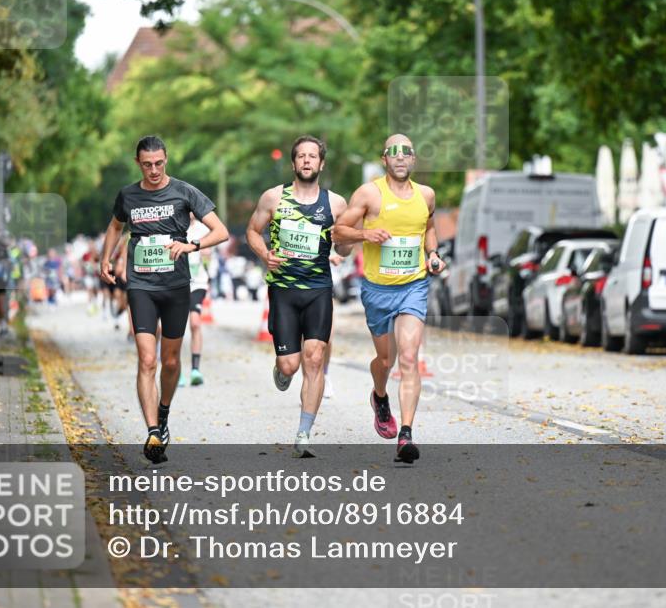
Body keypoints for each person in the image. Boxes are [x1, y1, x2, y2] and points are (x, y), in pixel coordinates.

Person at [100, 135, 229, 464]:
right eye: (147, 165)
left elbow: (221, 231)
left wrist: (191, 246)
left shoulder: (184, 192)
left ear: (166, 160)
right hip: (141, 285)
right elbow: (115, 226)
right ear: (138, 164)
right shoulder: (128, 195)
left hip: (175, 286)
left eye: (159, 163)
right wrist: (106, 257)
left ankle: (165, 412)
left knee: (170, 362)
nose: (154, 170)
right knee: (147, 360)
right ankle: (153, 431)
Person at [331, 134, 446, 464]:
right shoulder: (369, 193)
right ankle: (379, 396)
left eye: (406, 153)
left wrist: (434, 255)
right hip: (378, 290)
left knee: (409, 357)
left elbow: (430, 229)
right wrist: (366, 233)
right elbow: (339, 232)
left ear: (413, 160)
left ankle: (405, 434)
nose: (400, 158)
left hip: (413, 286)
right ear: (384, 159)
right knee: (386, 361)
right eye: (393, 153)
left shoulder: (426, 195)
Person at [246, 135, 350, 458]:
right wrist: (265, 253)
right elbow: (252, 231)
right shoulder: (274, 198)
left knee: (315, 358)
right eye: (301, 156)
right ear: (293, 163)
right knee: (291, 366)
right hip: (283, 291)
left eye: (312, 156)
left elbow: (345, 247)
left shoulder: (336, 204)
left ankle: (304, 433)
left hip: (318, 289)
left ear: (321, 163)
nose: (307, 161)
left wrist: (342, 241)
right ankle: (281, 370)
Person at [179, 213, 210, 387]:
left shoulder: (202, 228)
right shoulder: (173, 225)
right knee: (176, 328)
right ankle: (176, 371)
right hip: (177, 284)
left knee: (195, 323)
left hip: (198, 282)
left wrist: (206, 252)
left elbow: (212, 246)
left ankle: (195, 370)